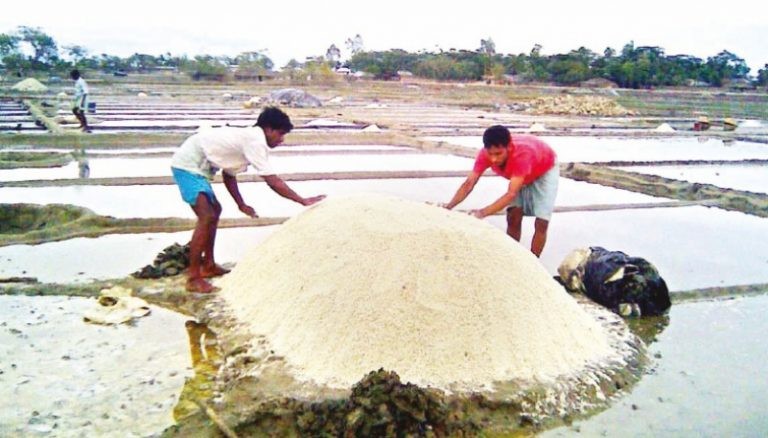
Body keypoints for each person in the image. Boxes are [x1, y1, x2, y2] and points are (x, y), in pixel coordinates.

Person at [171, 107, 325, 293]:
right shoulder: (255, 141)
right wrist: (302, 200)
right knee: (206, 215)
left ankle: (209, 265)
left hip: (199, 168)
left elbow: (229, 175)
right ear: (268, 129)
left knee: (214, 211)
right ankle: (194, 277)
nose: (282, 140)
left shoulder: (249, 139)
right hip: (187, 165)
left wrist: (241, 204)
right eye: (281, 134)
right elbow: (272, 180)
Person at [441, 125, 559, 257]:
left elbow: (511, 194)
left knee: (542, 221)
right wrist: (449, 206)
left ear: (509, 147)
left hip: (544, 167)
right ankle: (512, 256)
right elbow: (469, 183)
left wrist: (482, 213)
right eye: (490, 154)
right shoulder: (484, 155)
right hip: (520, 173)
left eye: (498, 154)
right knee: (513, 215)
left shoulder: (522, 155)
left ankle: (534, 262)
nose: (493, 159)